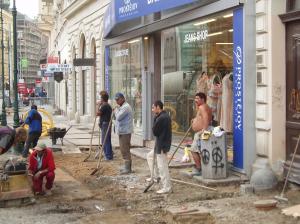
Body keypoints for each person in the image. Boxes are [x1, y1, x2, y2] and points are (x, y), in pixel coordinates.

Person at [146, 100, 172, 194]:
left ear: (158, 107)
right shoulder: (162, 116)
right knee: (149, 156)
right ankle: (156, 176)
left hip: (162, 145)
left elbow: (155, 131)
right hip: (160, 144)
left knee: (162, 167)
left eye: (153, 107)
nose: (152, 110)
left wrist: (155, 119)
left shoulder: (162, 118)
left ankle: (167, 187)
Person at [190, 92, 212, 176]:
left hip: (202, 132)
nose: (195, 100)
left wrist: (204, 129)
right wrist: (195, 120)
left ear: (203, 99)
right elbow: (202, 117)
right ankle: (201, 167)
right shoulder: (205, 107)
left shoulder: (203, 107)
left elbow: (206, 117)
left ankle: (199, 168)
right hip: (203, 131)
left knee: (193, 150)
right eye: (195, 98)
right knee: (201, 150)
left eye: (197, 98)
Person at [114, 92, 133, 174]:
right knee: (123, 149)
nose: (116, 102)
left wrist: (115, 110)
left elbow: (118, 117)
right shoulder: (122, 107)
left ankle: (128, 168)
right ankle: (126, 167)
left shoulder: (126, 107)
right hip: (122, 131)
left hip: (125, 132)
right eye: (116, 100)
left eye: (118, 100)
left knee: (125, 149)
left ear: (122, 98)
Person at [96, 91, 113, 160]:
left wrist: (98, 106)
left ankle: (108, 156)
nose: (100, 99)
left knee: (105, 140)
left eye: (100, 98)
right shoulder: (107, 105)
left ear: (102, 99)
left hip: (105, 124)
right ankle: (109, 155)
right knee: (107, 140)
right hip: (106, 124)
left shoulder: (104, 105)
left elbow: (97, 113)